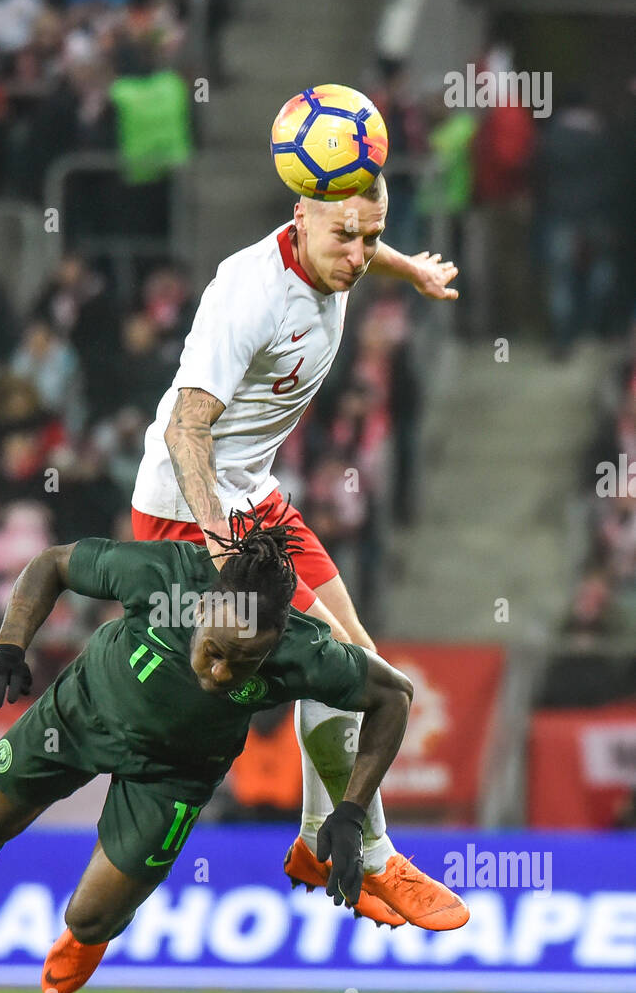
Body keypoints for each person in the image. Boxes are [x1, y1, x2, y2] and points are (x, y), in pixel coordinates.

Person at [0, 505, 468, 993]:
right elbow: (52, 563)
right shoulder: (162, 575)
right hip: (84, 711)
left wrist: (350, 813)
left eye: (246, 664)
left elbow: (394, 697)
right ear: (203, 603)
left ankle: (87, 938)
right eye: (217, 650)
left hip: (176, 774)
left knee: (89, 916)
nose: (222, 673)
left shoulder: (300, 649)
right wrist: (8, 644)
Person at [130, 173, 460, 909]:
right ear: (298, 216)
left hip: (255, 491)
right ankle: (371, 853)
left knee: (360, 654)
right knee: (342, 665)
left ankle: (316, 838)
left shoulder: (337, 245)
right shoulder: (252, 296)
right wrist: (220, 547)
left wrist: (412, 270)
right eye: (347, 236)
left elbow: (360, 237)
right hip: (193, 504)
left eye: (371, 237)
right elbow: (186, 428)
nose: (359, 253)